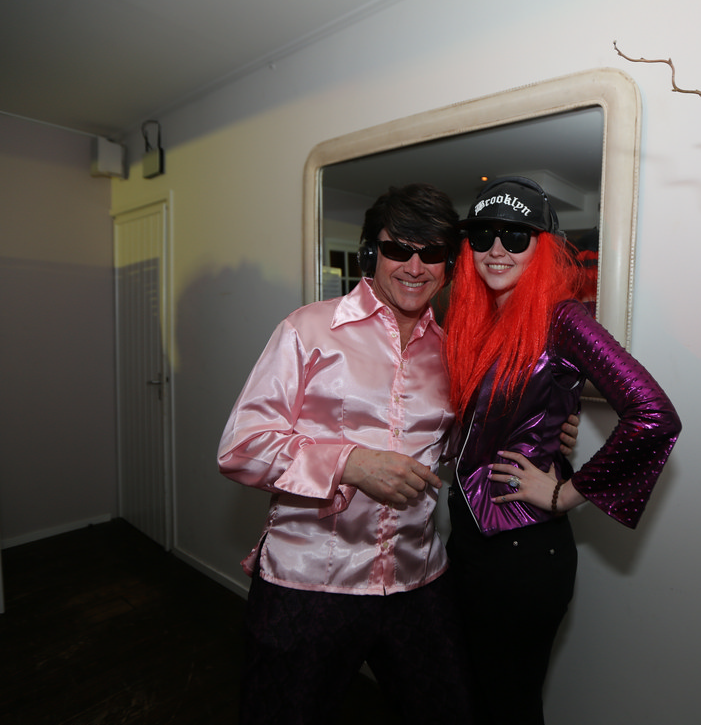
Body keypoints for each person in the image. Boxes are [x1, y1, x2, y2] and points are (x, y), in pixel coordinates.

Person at [216, 183, 577, 725]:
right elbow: (241, 446)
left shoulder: (455, 349)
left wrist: (543, 430)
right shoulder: (308, 329)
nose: (414, 266)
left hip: (418, 579)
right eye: (397, 249)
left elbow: (460, 445)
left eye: (431, 252)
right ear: (371, 252)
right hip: (311, 582)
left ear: (449, 265)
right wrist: (351, 463)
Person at [443, 176, 682, 725]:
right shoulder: (478, 320)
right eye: (482, 235)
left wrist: (566, 492)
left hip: (524, 552)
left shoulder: (564, 318)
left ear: (543, 246)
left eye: (515, 235)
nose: (496, 249)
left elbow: (653, 413)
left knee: (509, 705)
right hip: (468, 543)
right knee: (470, 694)